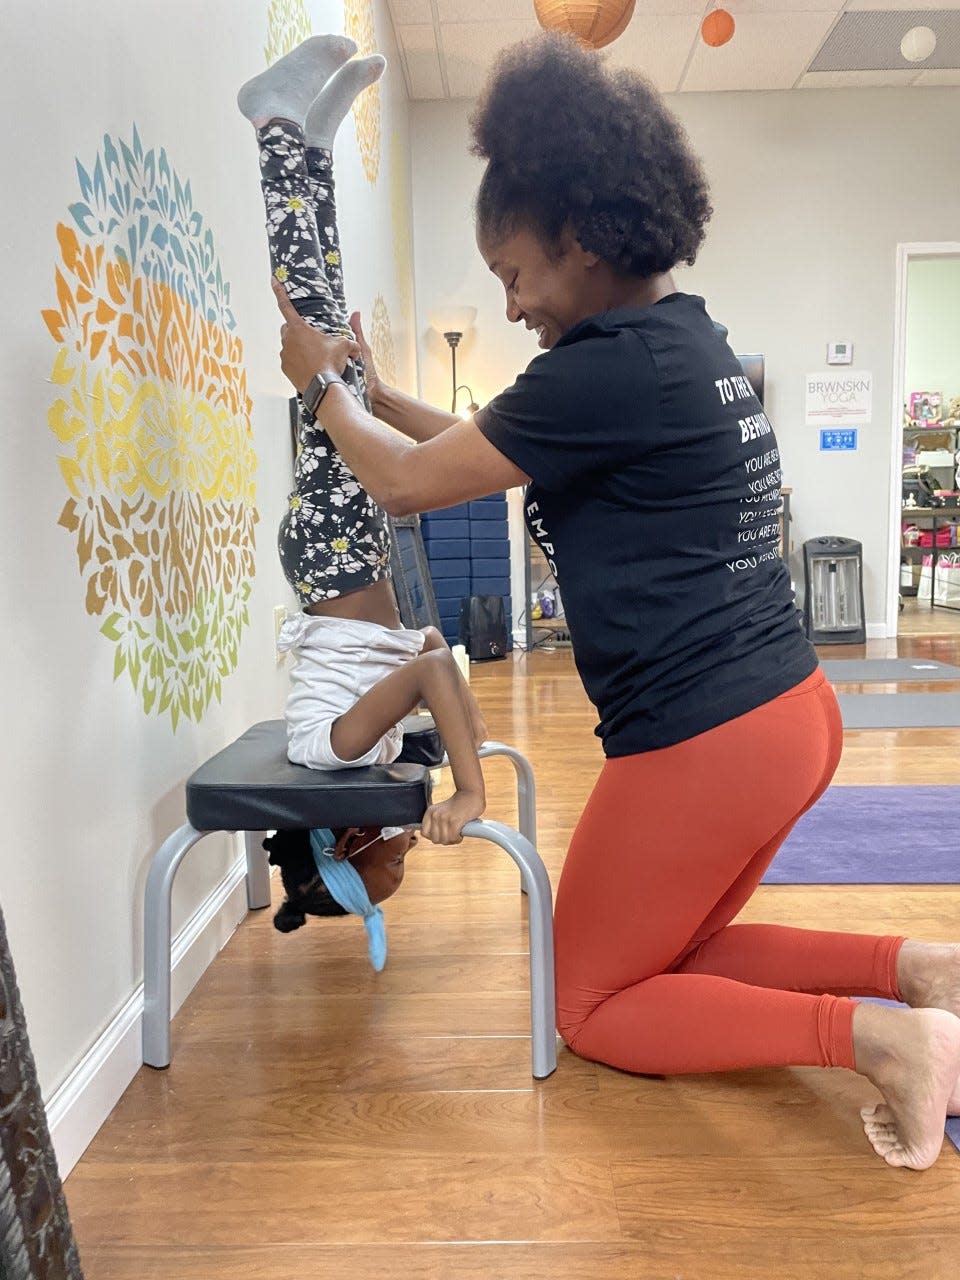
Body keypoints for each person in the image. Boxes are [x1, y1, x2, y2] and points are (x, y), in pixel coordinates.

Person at [270, 30, 960, 1168]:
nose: (516, 304)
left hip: (712, 734)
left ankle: (885, 1039)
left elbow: (399, 480)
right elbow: (494, 446)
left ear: (582, 240)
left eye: (515, 275)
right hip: (781, 709)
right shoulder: (675, 340)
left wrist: (325, 390)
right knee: (679, 947)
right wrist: (379, 385)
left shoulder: (604, 366)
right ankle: (917, 973)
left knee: (587, 1001)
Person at [235, 37, 488, 950]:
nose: (404, 862)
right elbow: (422, 646)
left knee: (311, 330)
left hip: (336, 552)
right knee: (338, 345)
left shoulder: (333, 752)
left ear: (347, 845)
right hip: (345, 553)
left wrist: (470, 784)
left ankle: (275, 130)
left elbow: (426, 666)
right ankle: (312, 153)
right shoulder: (360, 756)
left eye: (389, 870)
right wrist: (458, 717)